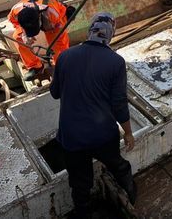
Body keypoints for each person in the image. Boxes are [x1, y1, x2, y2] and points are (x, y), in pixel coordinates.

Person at [50, 12, 136, 218]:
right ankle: (131, 198)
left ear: (90, 32)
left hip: (72, 138)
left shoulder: (65, 56)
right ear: (110, 35)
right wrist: (128, 133)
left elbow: (55, 93)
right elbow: (119, 104)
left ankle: (84, 213)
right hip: (102, 135)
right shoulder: (115, 62)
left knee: (80, 184)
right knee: (118, 165)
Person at [8, 0, 73, 80]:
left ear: (39, 18)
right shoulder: (15, 12)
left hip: (55, 21)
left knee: (58, 42)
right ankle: (35, 66)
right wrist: (24, 33)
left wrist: (50, 27)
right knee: (17, 37)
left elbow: (59, 30)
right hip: (30, 22)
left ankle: (63, 66)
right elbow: (15, 23)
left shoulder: (53, 13)